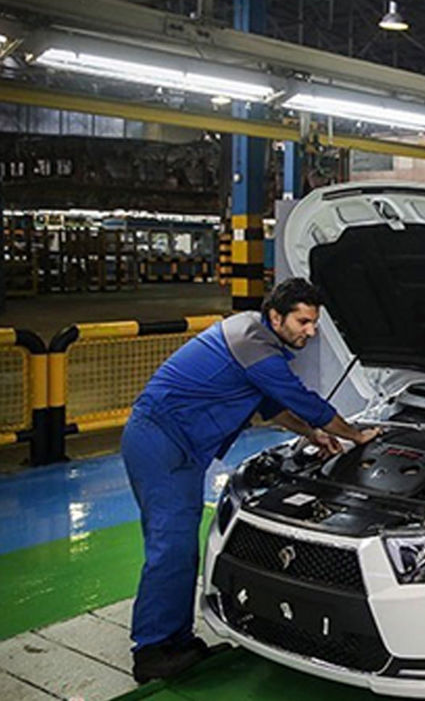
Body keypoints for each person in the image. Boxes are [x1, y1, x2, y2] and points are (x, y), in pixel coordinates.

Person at [121, 278, 378, 682]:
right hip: (161, 443)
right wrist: (356, 436)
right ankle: (151, 651)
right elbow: (300, 399)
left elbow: (271, 406)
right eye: (303, 322)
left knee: (180, 547)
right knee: (170, 548)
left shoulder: (253, 336)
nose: (311, 332)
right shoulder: (253, 344)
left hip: (175, 444)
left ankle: (178, 641)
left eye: (314, 323)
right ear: (276, 316)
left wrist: (314, 434)